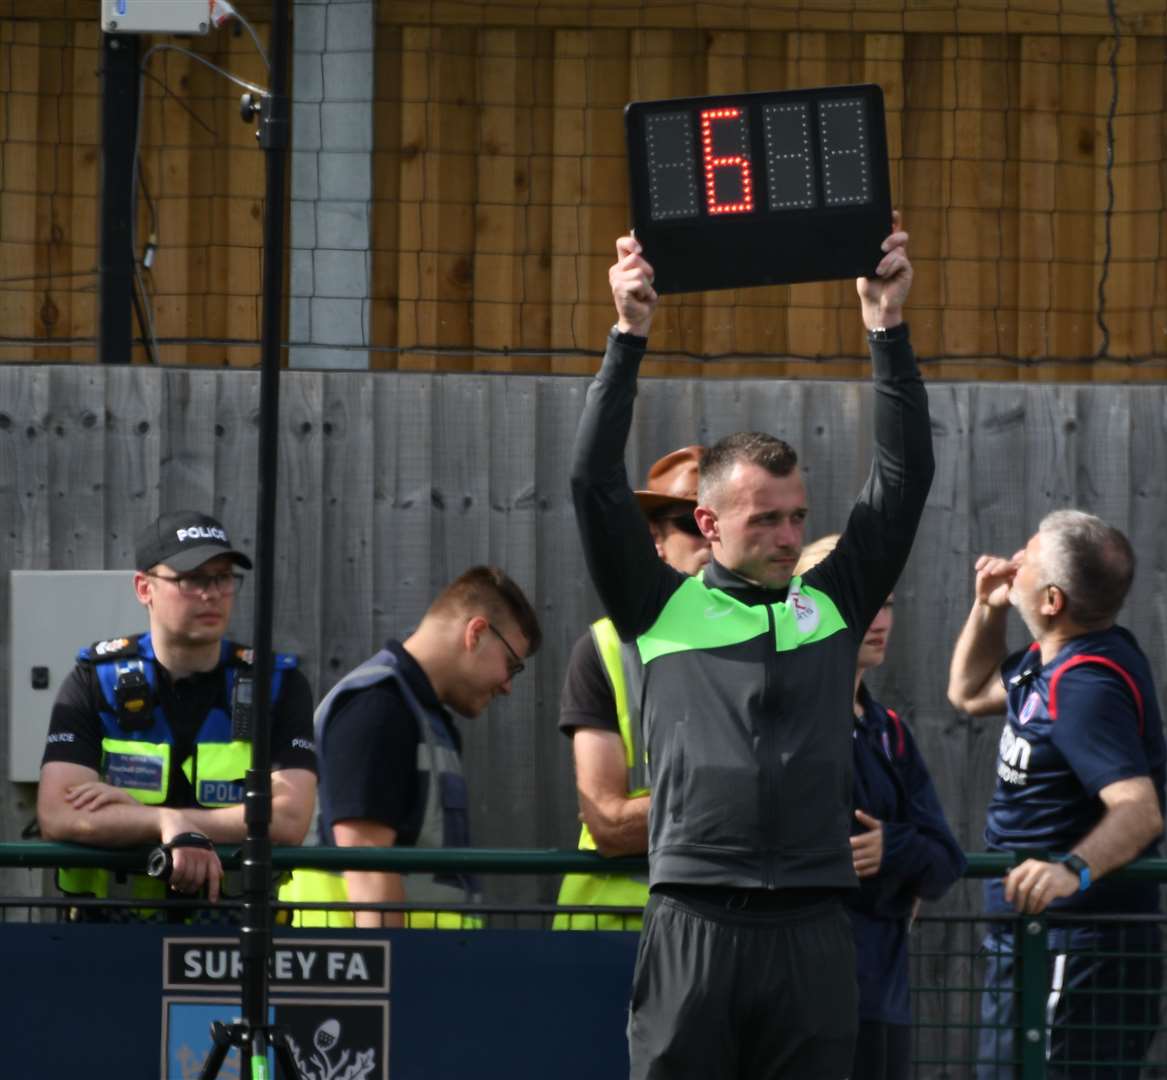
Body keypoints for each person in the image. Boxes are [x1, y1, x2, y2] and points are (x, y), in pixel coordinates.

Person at [572, 216, 931, 1079]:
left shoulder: (832, 602)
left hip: (813, 926)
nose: (786, 533)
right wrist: (627, 336)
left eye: (797, 517)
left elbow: (903, 479)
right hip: (693, 918)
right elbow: (590, 482)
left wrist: (886, 330)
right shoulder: (657, 609)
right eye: (764, 518)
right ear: (707, 522)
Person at [946, 510, 1167, 1079]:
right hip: (1035, 935)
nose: (1011, 561)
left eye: (1026, 555)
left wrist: (1073, 869)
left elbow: (1139, 812)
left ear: (1051, 601)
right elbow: (968, 693)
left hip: (1076, 942)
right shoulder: (1046, 665)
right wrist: (986, 608)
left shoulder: (1084, 685)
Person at [37, 511, 317, 914]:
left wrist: (146, 816)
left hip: (233, 939)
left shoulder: (278, 685)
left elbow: (287, 820)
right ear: (143, 587)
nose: (212, 593)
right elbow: (58, 814)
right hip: (106, 943)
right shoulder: (94, 680)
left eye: (223, 578)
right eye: (192, 579)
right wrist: (165, 823)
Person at [279, 566, 540, 929]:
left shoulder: (417, 714)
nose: (507, 686)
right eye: (511, 665)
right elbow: (367, 869)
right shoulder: (379, 709)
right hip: (373, 975)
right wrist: (392, 973)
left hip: (410, 969)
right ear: (476, 633)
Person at [795, 534, 964, 1080]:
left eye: (887, 602)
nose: (879, 618)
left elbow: (945, 860)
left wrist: (896, 850)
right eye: (863, 601)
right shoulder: (786, 719)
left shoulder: (887, 729)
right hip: (802, 1000)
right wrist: (899, 872)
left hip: (883, 997)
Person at [554, 444, 710, 931]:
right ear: (654, 539)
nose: (709, 539)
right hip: (612, 937)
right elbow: (607, 824)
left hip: (718, 930)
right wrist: (741, 804)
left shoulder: (771, 644)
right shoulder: (603, 650)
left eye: (719, 522)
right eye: (690, 524)